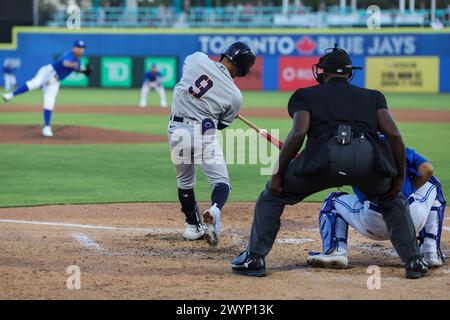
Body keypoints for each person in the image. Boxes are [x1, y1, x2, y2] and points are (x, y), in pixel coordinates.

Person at [231, 44, 428, 279]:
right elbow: (395, 136)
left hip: (322, 159)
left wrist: (277, 175)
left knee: (272, 196)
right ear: (349, 73)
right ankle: (414, 261)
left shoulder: (304, 95)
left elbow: (298, 134)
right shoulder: (373, 96)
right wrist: (397, 179)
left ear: (321, 72)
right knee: (393, 201)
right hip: (367, 160)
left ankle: (254, 258)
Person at [168, 42, 255, 246]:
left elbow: (192, 80)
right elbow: (221, 124)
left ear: (225, 54)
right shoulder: (235, 96)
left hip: (176, 130)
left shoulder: (198, 58)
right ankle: (215, 209)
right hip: (204, 132)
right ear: (242, 70)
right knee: (221, 183)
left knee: (185, 181)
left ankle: (191, 226)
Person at [307, 146, 446, 269]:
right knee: (433, 183)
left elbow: (331, 176)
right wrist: (409, 191)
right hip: (411, 220)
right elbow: (427, 169)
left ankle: (335, 251)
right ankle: (429, 251)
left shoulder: (352, 155)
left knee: (333, 200)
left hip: (372, 224)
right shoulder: (397, 147)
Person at [2, 40, 91, 137]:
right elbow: (65, 63)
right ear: (74, 48)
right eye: (79, 47)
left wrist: (84, 71)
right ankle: (10, 95)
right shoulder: (69, 55)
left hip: (55, 82)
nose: (81, 50)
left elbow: (76, 69)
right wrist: (73, 65)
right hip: (48, 72)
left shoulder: (78, 61)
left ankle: (47, 127)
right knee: (34, 84)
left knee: (49, 102)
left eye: (82, 48)